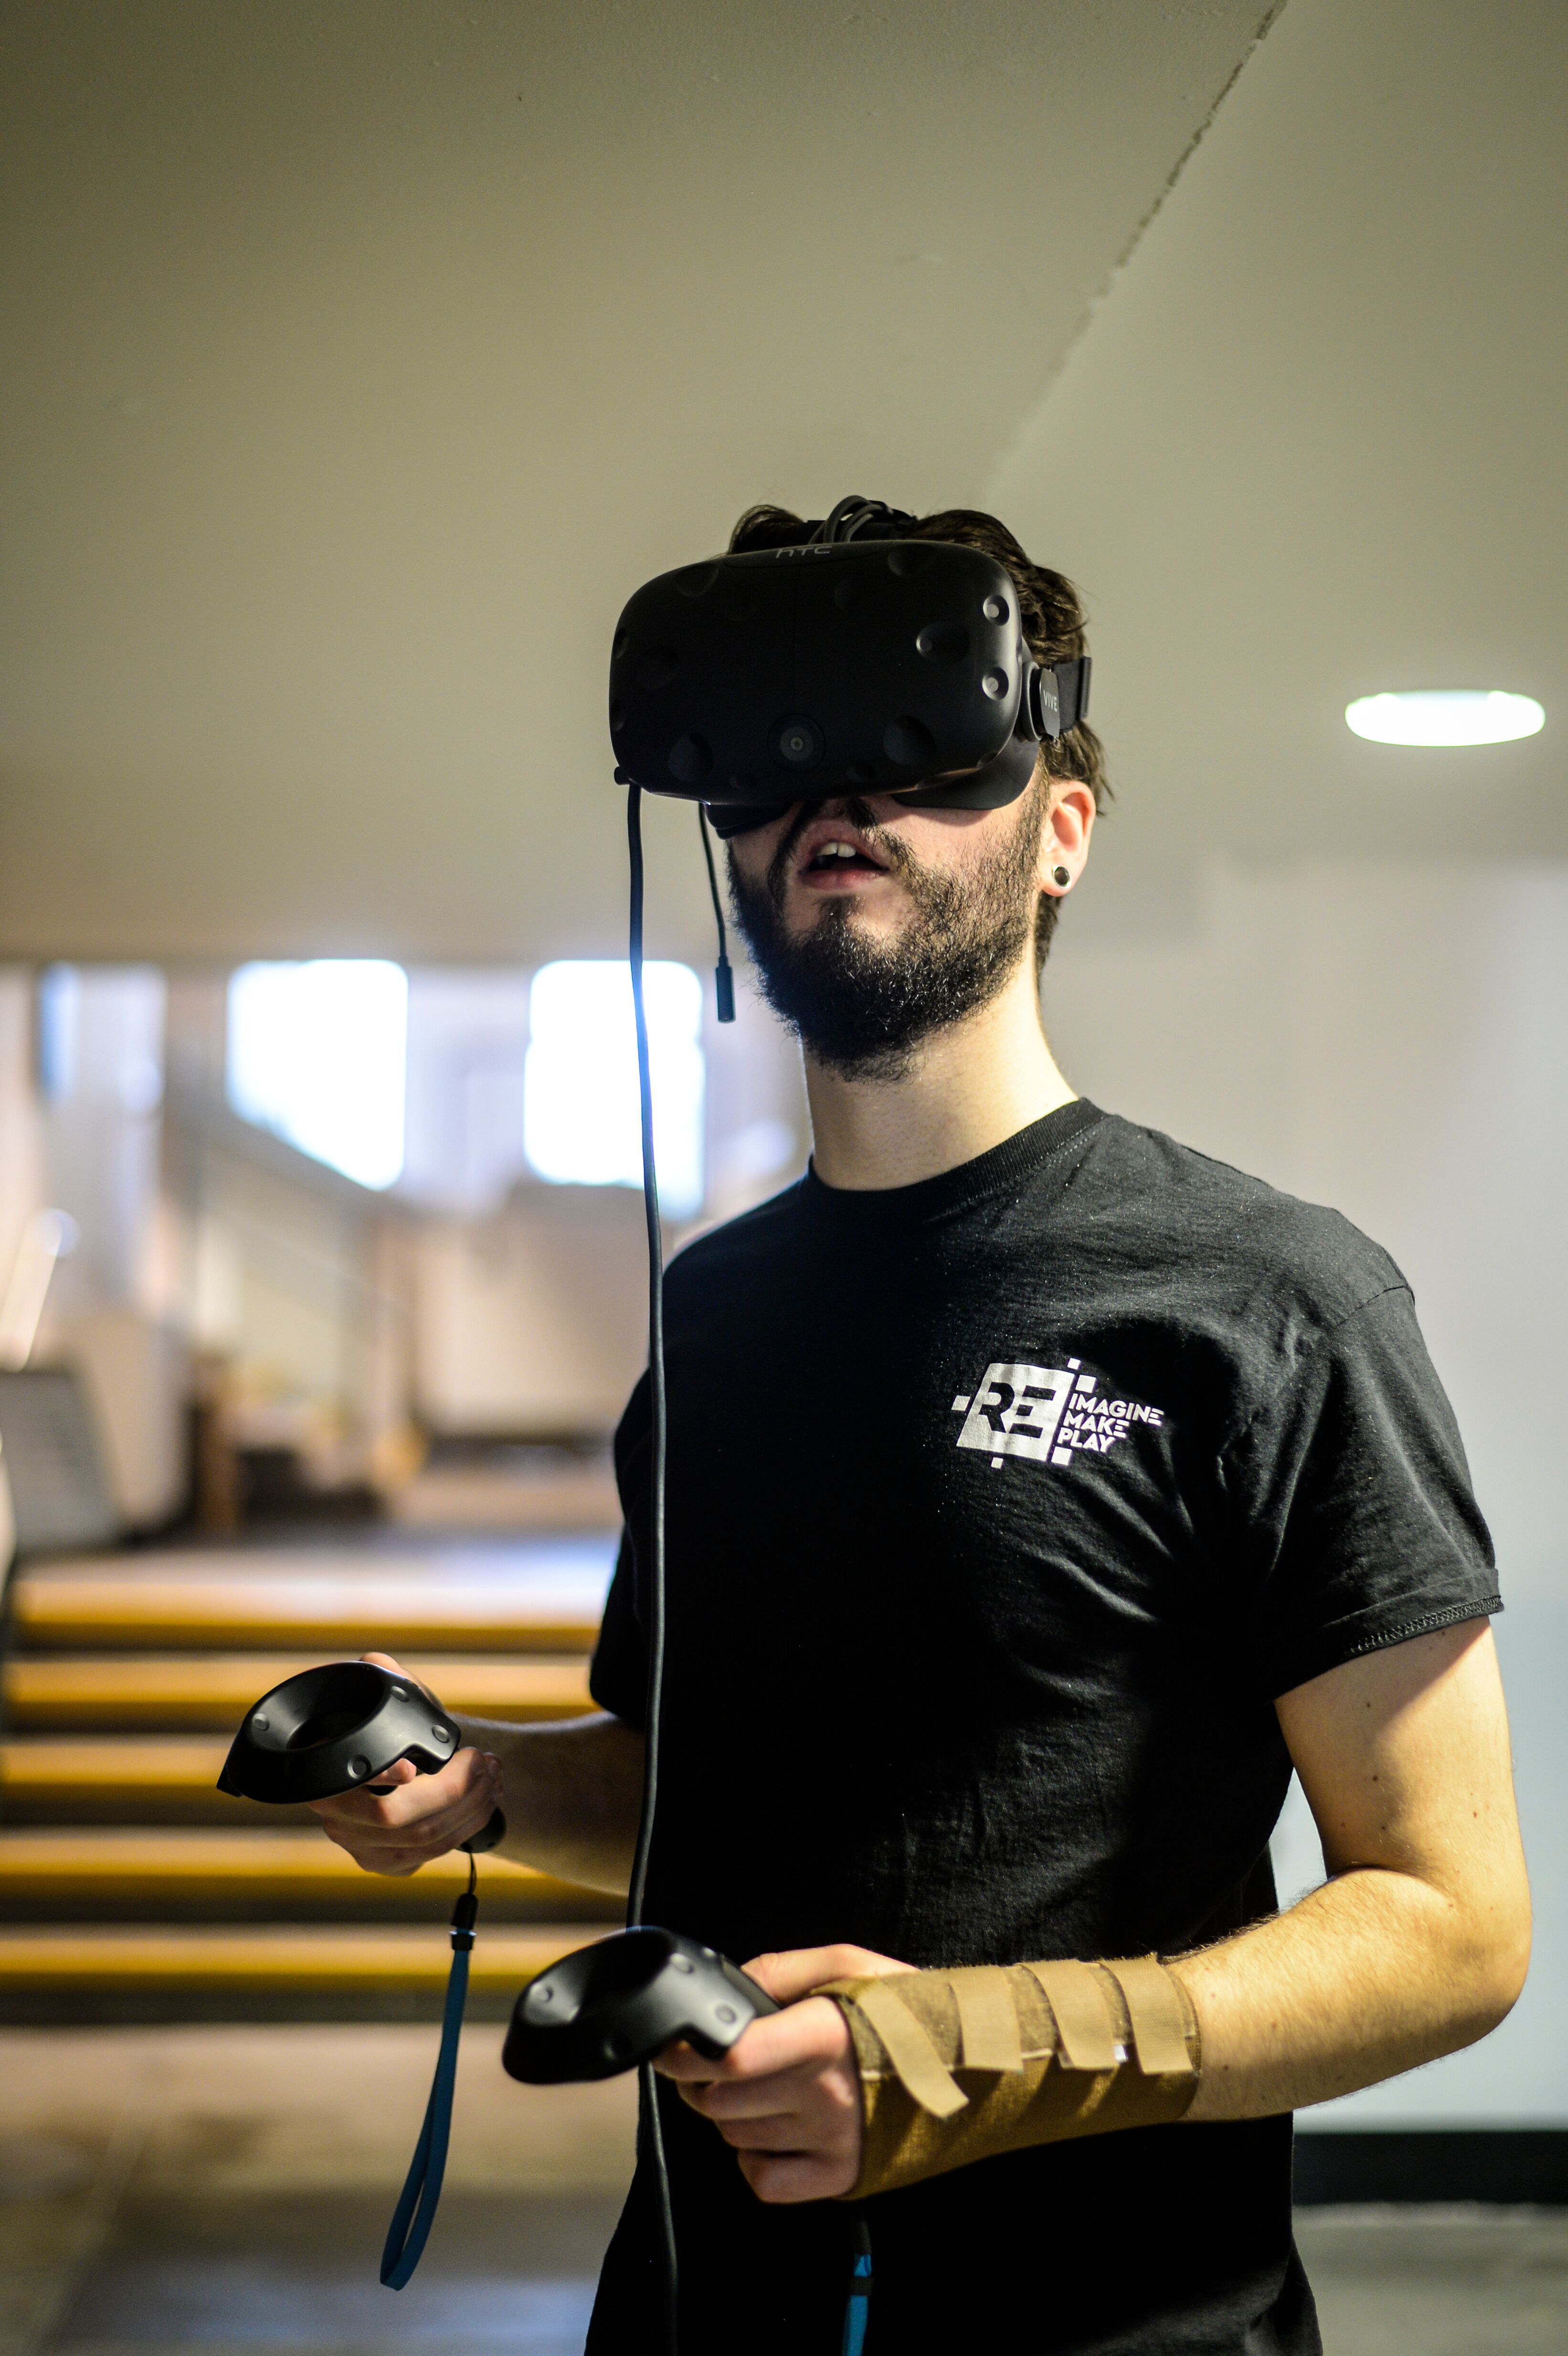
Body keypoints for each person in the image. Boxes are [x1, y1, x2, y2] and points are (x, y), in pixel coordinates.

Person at [313, 505, 1531, 2354]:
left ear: (1062, 834)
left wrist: (985, 2044)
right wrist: (487, 1786)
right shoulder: (705, 1325)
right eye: (776, 771)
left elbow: (1453, 1926)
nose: (837, 803)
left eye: (923, 751)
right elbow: (700, 1787)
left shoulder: (1269, 1300)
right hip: (701, 2307)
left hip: (1126, 2326)